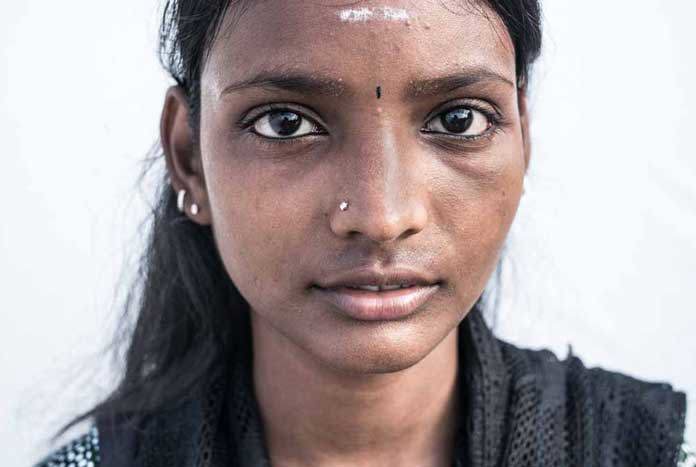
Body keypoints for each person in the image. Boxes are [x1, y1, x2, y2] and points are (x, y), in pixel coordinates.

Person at [34, 1, 693, 466]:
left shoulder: (662, 452)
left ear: (523, 138)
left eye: (459, 119)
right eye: (286, 123)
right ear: (189, 156)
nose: (381, 215)